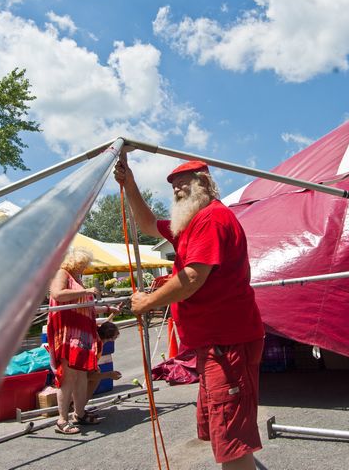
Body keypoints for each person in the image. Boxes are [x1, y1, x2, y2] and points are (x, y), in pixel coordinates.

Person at [114, 154, 265, 470]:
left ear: (206, 184)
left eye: (186, 183)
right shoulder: (190, 223)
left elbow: (193, 277)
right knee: (225, 431)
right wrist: (129, 183)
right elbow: (146, 224)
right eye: (174, 187)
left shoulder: (210, 219)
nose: (178, 189)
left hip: (228, 344)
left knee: (232, 442)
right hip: (214, 344)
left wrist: (148, 301)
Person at [47, 247, 120, 435]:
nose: (84, 268)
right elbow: (56, 294)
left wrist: (107, 308)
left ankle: (79, 414)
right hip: (67, 332)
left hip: (81, 333)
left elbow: (85, 307)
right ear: (75, 262)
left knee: (80, 375)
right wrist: (87, 290)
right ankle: (61, 419)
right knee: (68, 376)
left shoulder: (77, 279)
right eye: (83, 264)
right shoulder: (62, 274)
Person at [86, 321, 122, 403]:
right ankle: (79, 407)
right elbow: (88, 376)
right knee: (96, 377)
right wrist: (109, 374)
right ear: (111, 338)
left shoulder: (94, 339)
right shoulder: (97, 347)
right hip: (76, 375)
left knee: (97, 370)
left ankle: (78, 406)